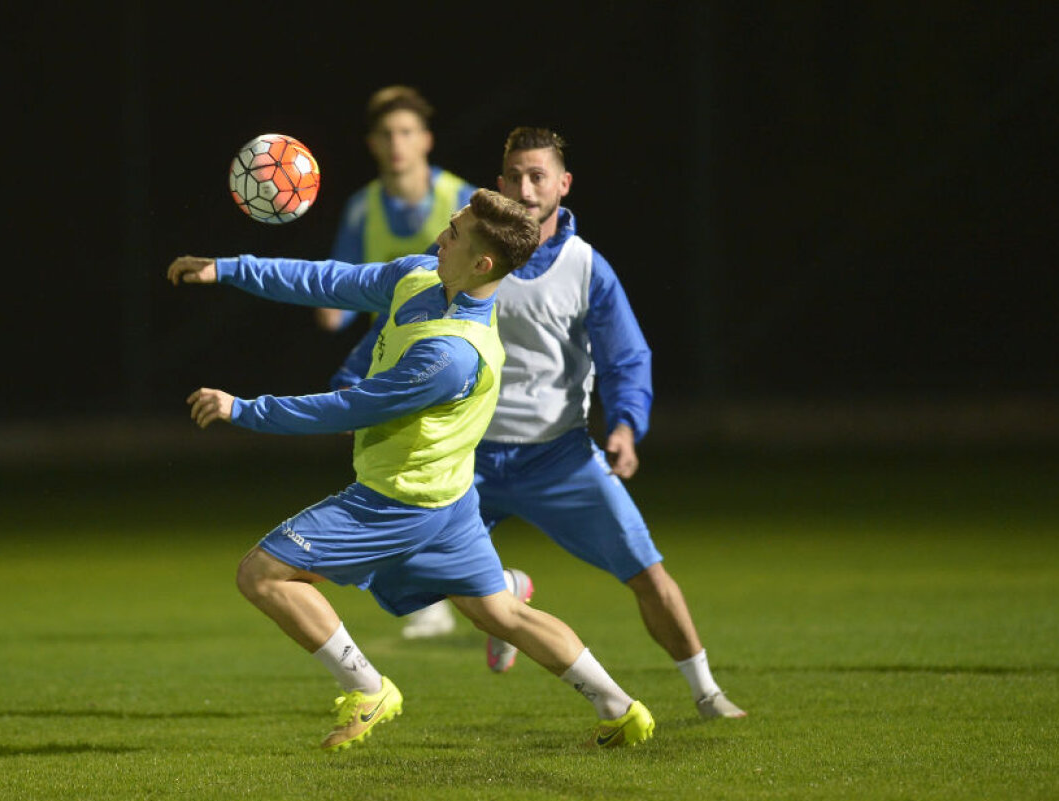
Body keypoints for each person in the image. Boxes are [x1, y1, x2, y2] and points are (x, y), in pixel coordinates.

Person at [166, 188, 655, 751]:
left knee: (263, 574)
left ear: (482, 264)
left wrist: (243, 409)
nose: (440, 238)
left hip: (399, 502)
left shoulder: (451, 356)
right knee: (502, 614)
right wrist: (229, 268)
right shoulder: (420, 276)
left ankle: (368, 688)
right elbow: (329, 280)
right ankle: (621, 708)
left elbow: (350, 407)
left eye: (454, 234)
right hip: (451, 499)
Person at [332, 128, 747, 721]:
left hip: (559, 456)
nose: (526, 189)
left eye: (538, 176)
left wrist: (626, 426)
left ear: (563, 184)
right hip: (465, 456)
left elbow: (626, 357)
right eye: (515, 177)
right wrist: (352, 381)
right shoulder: (466, 254)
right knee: (402, 571)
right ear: (499, 184)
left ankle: (708, 694)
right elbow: (399, 319)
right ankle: (503, 589)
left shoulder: (586, 267)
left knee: (647, 573)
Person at [315, 84, 476, 640]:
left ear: (426, 139)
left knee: (425, 486)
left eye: (406, 132)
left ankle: (467, 591)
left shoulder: (462, 200)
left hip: (455, 368)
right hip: (389, 371)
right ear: (372, 144)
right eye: (386, 134)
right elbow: (339, 290)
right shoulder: (362, 208)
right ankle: (472, 592)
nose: (396, 143)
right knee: (401, 484)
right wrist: (330, 308)